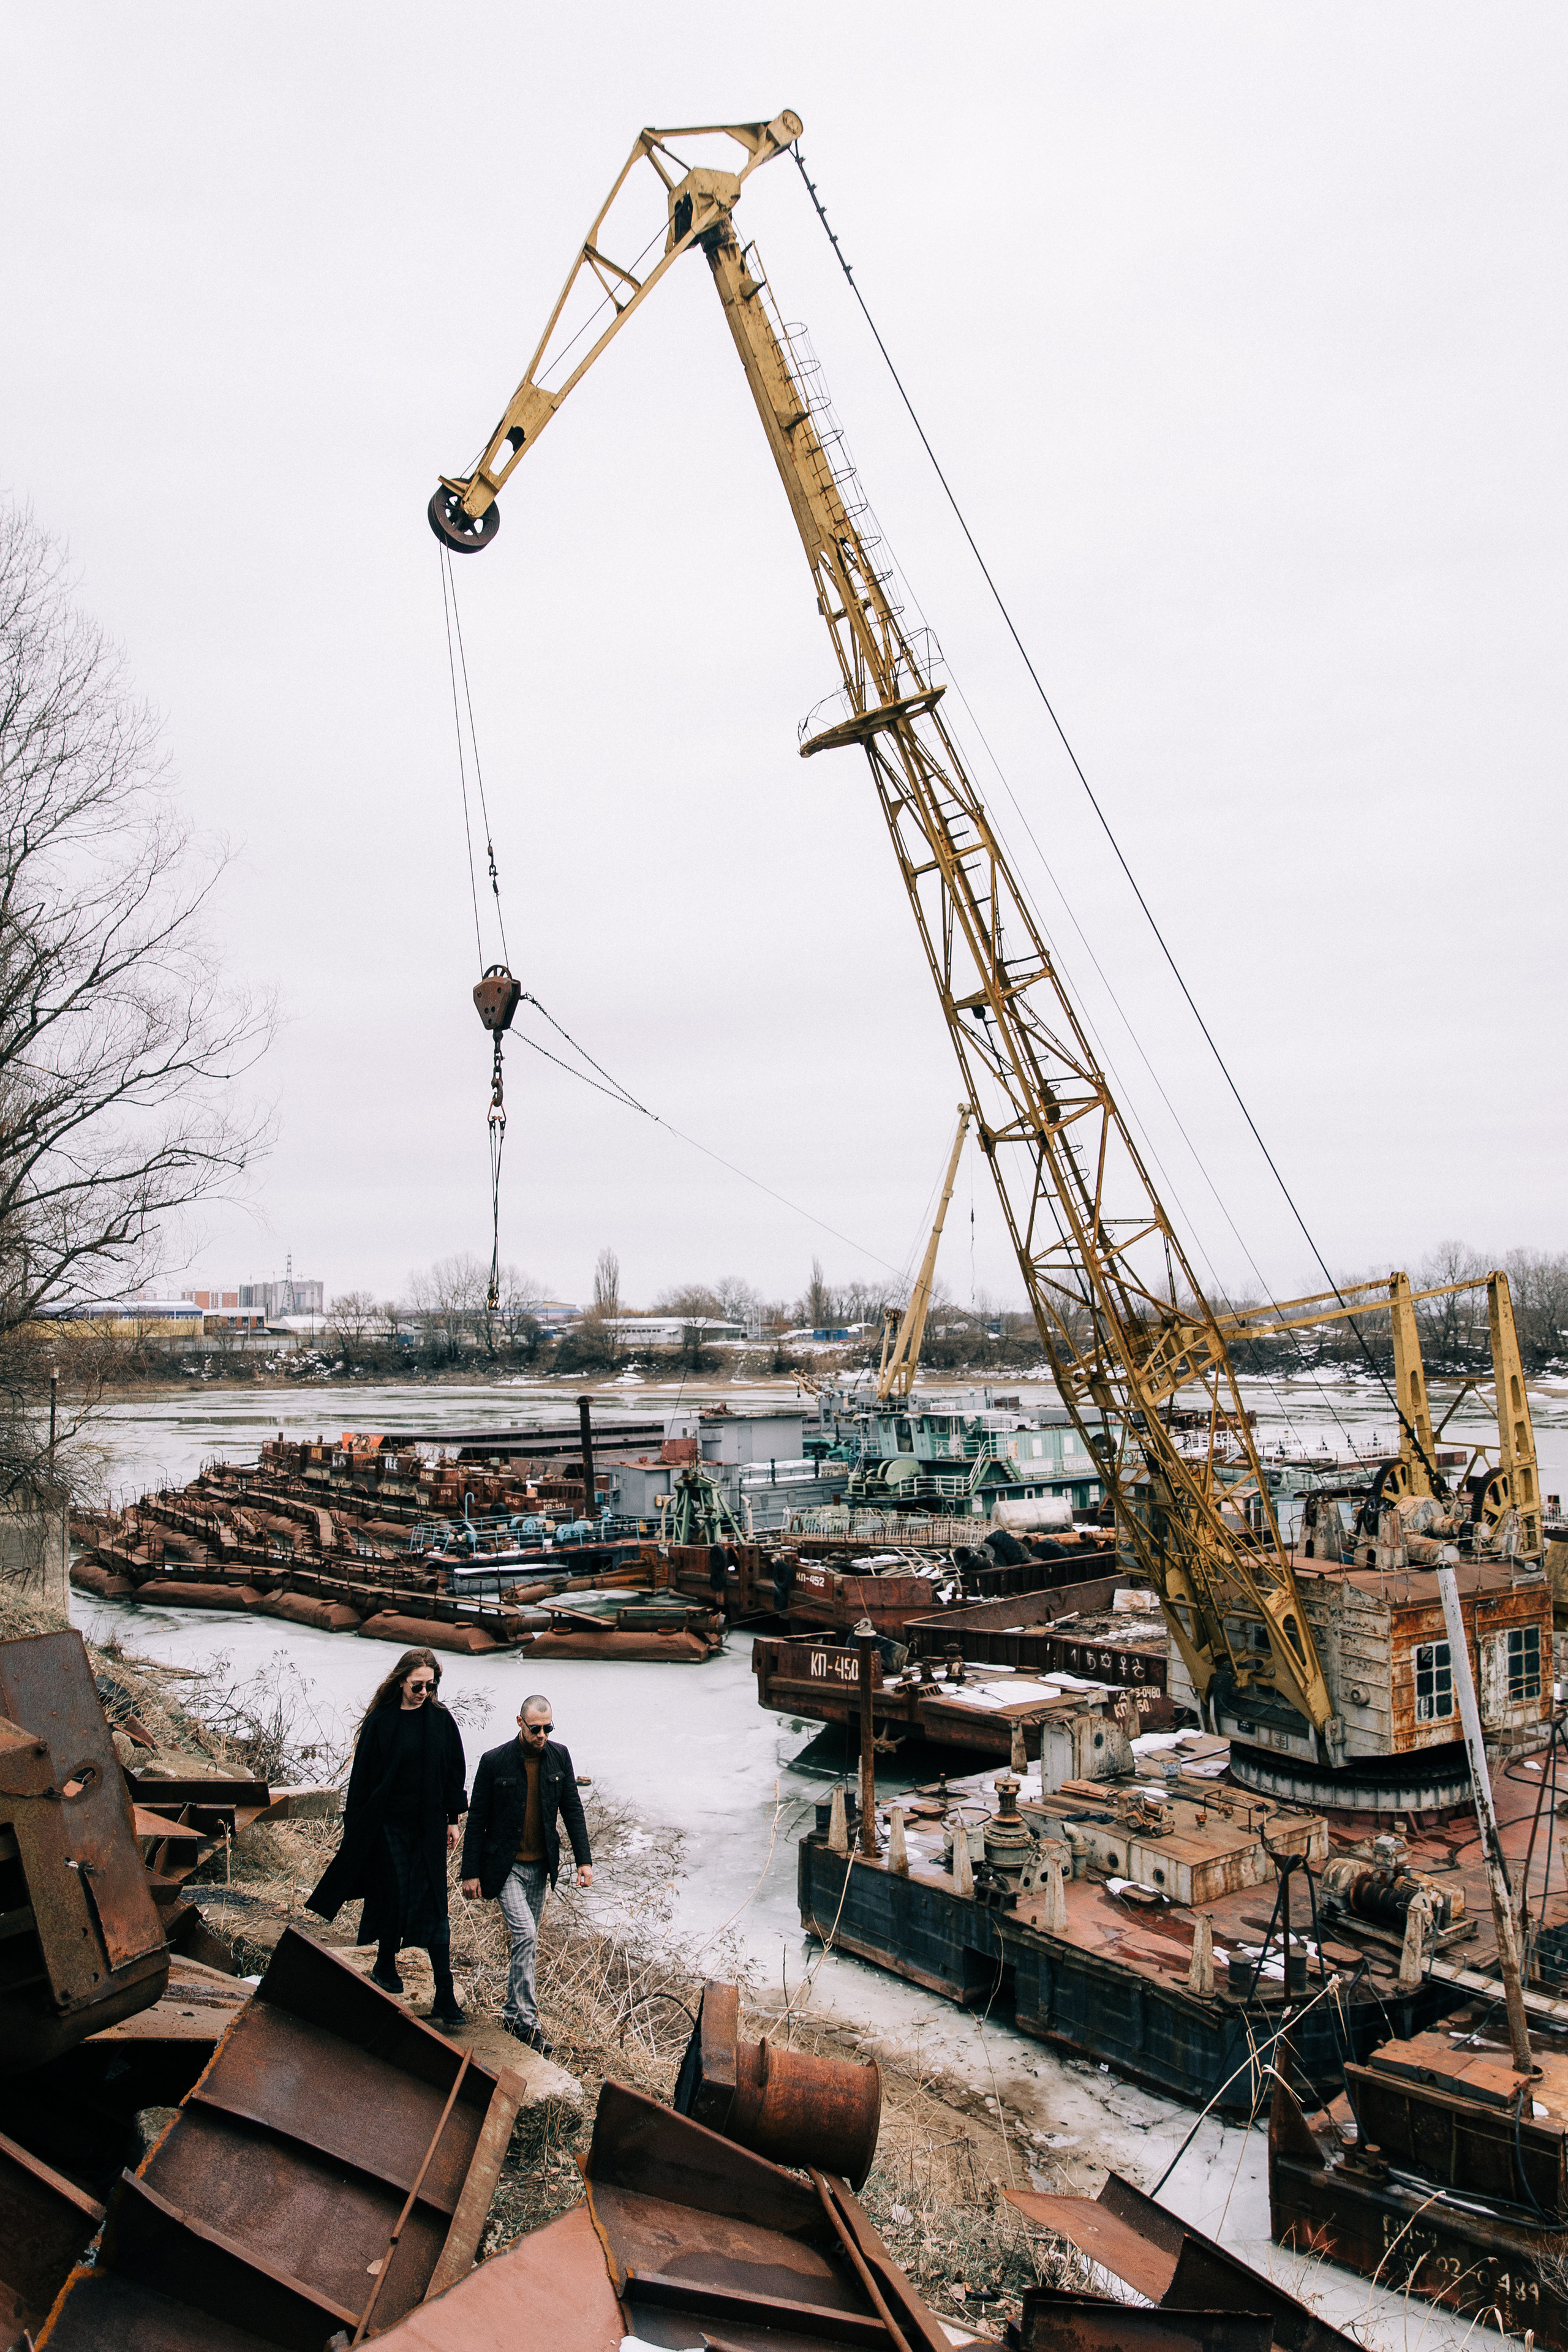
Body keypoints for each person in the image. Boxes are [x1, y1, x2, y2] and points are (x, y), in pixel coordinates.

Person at [307, 1646, 468, 2029]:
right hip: (386, 1825)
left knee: (433, 1899)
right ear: (401, 1681)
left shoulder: (441, 1721)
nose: (424, 1693)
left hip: (427, 1826)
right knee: (394, 1891)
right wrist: (358, 1828)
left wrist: (452, 1819)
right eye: (418, 1685)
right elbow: (362, 1780)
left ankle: (444, 1993)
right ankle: (385, 1964)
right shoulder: (381, 1722)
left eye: (431, 1686)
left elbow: (454, 1771)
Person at [461, 1694, 591, 2054]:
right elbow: (478, 1821)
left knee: (526, 1944)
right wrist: (470, 1872)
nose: (543, 1735)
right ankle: (529, 2024)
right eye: (536, 1728)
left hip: (541, 1867)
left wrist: (585, 1861)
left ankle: (510, 2014)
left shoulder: (559, 1756)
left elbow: (572, 1810)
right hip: (505, 1868)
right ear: (520, 1723)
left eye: (549, 1728)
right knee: (526, 1933)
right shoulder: (494, 1761)